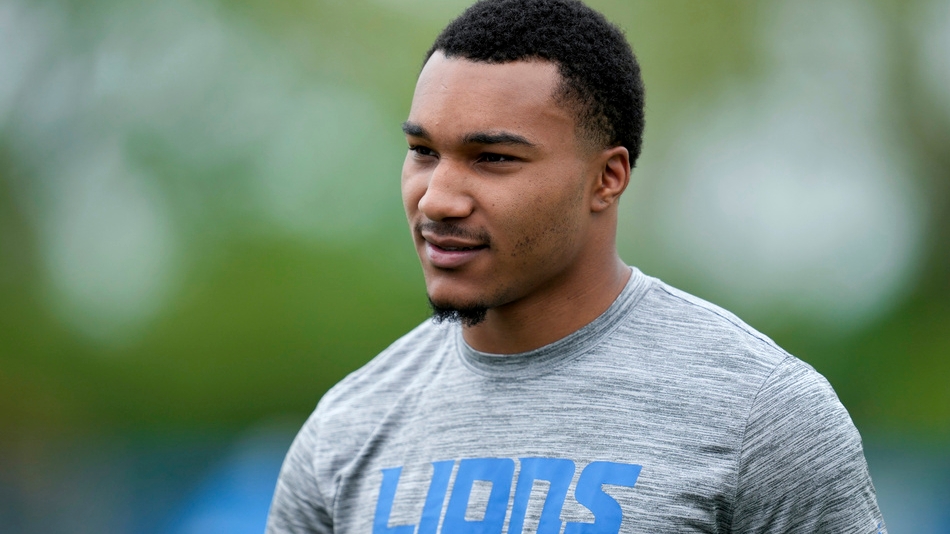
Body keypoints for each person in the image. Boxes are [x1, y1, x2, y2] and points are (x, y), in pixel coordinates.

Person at [266, 0, 886, 532]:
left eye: (494, 158)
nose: (436, 199)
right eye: (423, 152)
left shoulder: (761, 414)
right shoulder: (347, 429)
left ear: (607, 178)